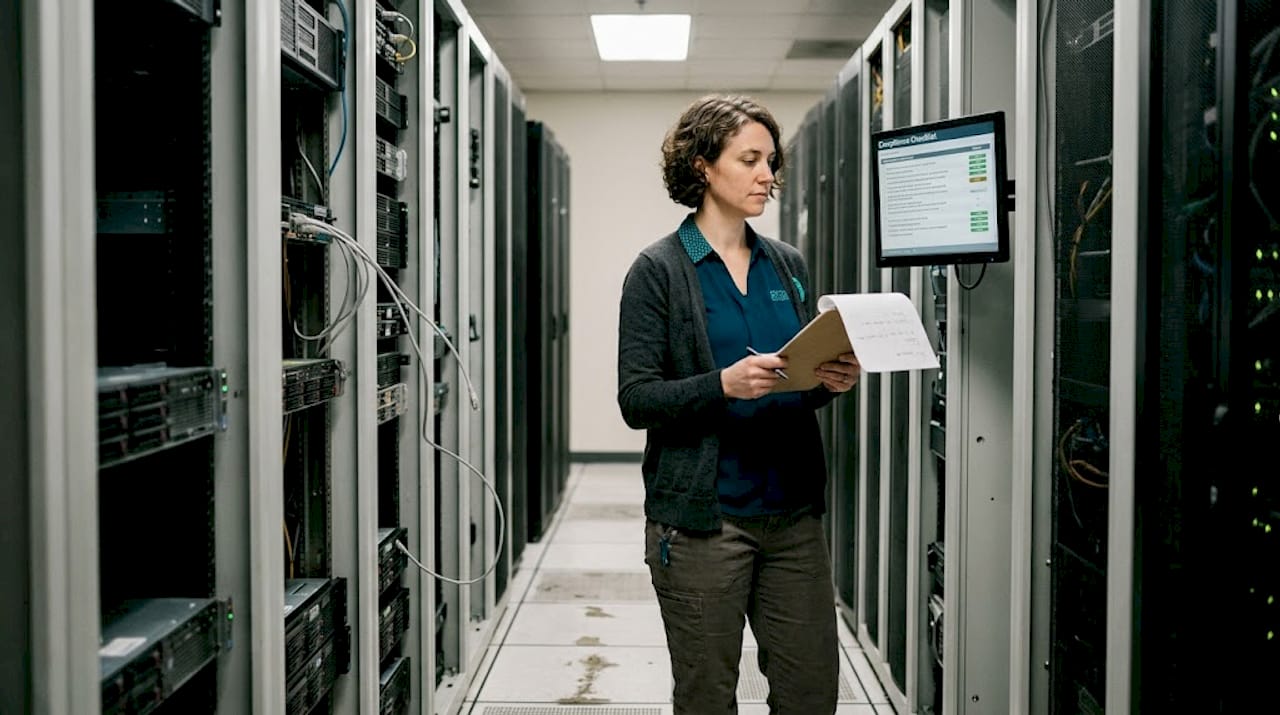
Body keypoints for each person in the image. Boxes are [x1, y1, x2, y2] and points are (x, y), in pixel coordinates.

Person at [616, 94, 862, 715]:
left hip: (793, 518)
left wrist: (828, 381)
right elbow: (637, 399)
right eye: (749, 160)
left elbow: (793, 384)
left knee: (811, 693)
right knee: (707, 697)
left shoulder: (786, 264)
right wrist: (721, 385)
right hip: (705, 523)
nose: (766, 175)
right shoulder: (659, 270)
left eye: (771, 161)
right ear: (702, 166)